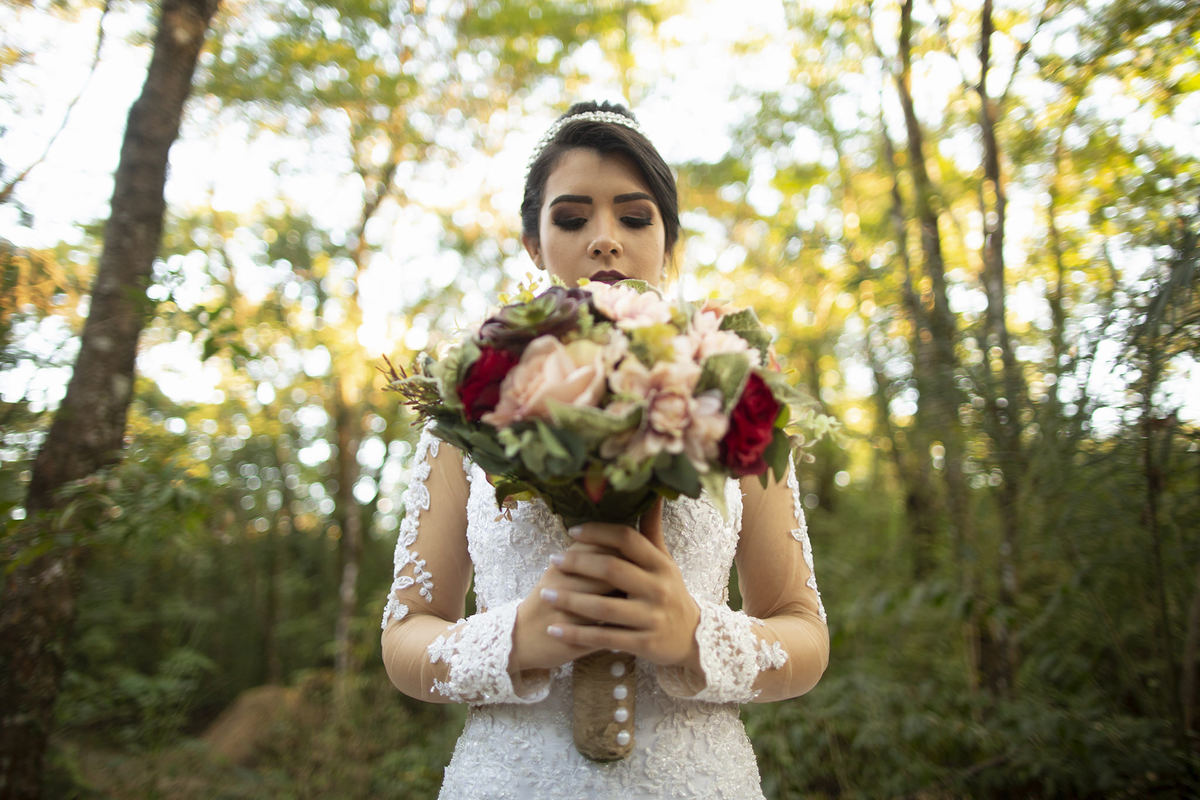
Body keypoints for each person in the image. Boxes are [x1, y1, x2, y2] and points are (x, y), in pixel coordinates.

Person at [380, 101, 829, 799]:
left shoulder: (734, 394)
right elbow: (405, 637)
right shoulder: (470, 402)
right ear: (534, 242)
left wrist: (695, 635)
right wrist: (514, 639)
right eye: (571, 217)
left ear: (667, 240)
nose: (604, 240)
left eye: (633, 216)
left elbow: (804, 634)